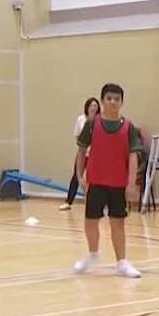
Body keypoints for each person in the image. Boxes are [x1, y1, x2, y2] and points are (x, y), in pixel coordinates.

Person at [72, 83, 142, 278]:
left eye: (117, 99)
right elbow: (81, 151)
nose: (113, 102)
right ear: (102, 101)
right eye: (109, 98)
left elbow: (133, 156)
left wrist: (131, 183)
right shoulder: (92, 124)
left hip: (118, 183)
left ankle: (122, 262)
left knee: (118, 223)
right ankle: (92, 253)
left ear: (122, 102)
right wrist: (80, 175)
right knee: (90, 221)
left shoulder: (128, 127)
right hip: (96, 181)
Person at [60, 97, 99, 211]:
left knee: (95, 177)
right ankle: (68, 201)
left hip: (95, 154)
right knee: (76, 176)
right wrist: (83, 147)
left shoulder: (100, 120)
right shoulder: (81, 119)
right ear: (87, 107)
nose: (93, 108)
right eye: (91, 105)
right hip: (83, 153)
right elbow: (77, 136)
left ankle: (96, 202)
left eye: (95, 106)